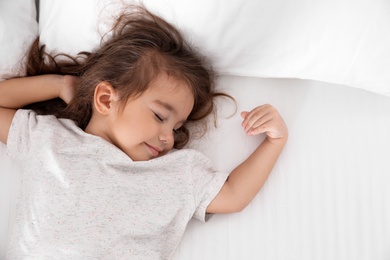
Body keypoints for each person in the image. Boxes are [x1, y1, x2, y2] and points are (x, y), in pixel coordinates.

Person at [0, 5, 288, 259]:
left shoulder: (175, 172)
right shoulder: (49, 138)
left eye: (177, 127)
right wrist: (58, 85)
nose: (169, 137)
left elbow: (234, 194)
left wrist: (275, 141)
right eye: (160, 116)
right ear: (105, 99)